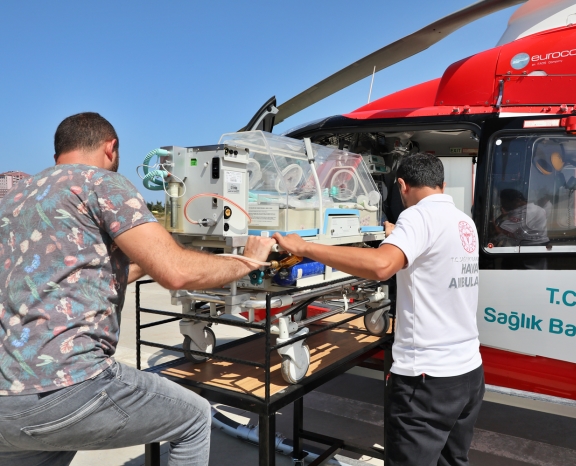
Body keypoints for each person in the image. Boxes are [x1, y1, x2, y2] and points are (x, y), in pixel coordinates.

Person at [0, 112, 276, 466]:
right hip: (68, 385)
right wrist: (248, 262)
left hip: (7, 400)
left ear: (58, 154)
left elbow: (78, 278)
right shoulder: (102, 182)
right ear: (111, 148)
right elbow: (177, 274)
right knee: (194, 418)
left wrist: (151, 257)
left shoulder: (18, 197)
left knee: (49, 439)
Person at [274, 152, 483, 466]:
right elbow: (431, 259)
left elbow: (382, 266)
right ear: (442, 184)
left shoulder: (418, 217)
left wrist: (304, 247)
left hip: (427, 379)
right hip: (468, 373)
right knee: (452, 461)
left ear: (402, 185)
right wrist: (397, 238)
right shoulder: (463, 221)